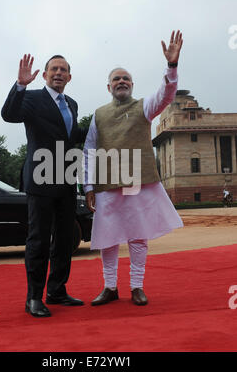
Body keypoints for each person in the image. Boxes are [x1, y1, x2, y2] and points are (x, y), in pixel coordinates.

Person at [83, 30, 184, 306]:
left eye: (126, 78)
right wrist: (88, 186)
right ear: (108, 87)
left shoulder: (144, 107)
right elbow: (89, 151)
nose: (121, 82)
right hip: (106, 184)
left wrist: (171, 66)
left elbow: (166, 95)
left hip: (137, 180)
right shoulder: (98, 114)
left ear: (132, 84)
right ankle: (110, 287)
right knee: (107, 238)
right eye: (116, 78)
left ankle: (137, 286)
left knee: (138, 236)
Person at [2, 54, 87, 317]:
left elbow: (71, 137)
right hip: (40, 177)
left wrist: (102, 126)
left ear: (69, 77)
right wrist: (20, 85)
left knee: (64, 239)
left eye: (63, 70)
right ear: (45, 74)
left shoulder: (71, 103)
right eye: (54, 69)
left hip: (65, 179)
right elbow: (9, 115)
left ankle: (57, 290)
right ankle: (34, 298)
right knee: (38, 239)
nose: (58, 73)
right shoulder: (32, 98)